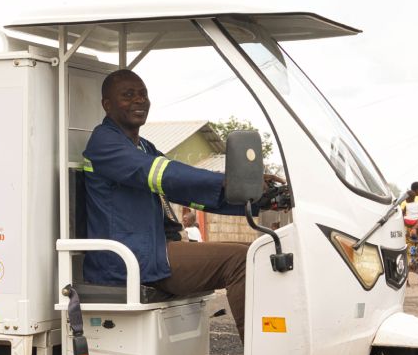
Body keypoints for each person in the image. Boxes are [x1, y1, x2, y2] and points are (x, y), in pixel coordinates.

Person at [82, 69, 275, 340]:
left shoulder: (143, 146)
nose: (139, 101)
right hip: (128, 259)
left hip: (150, 250)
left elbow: (184, 188)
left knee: (256, 251)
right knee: (242, 261)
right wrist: (226, 180)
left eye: (143, 94)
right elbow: (166, 174)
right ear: (107, 105)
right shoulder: (104, 143)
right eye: (128, 95)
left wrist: (252, 198)